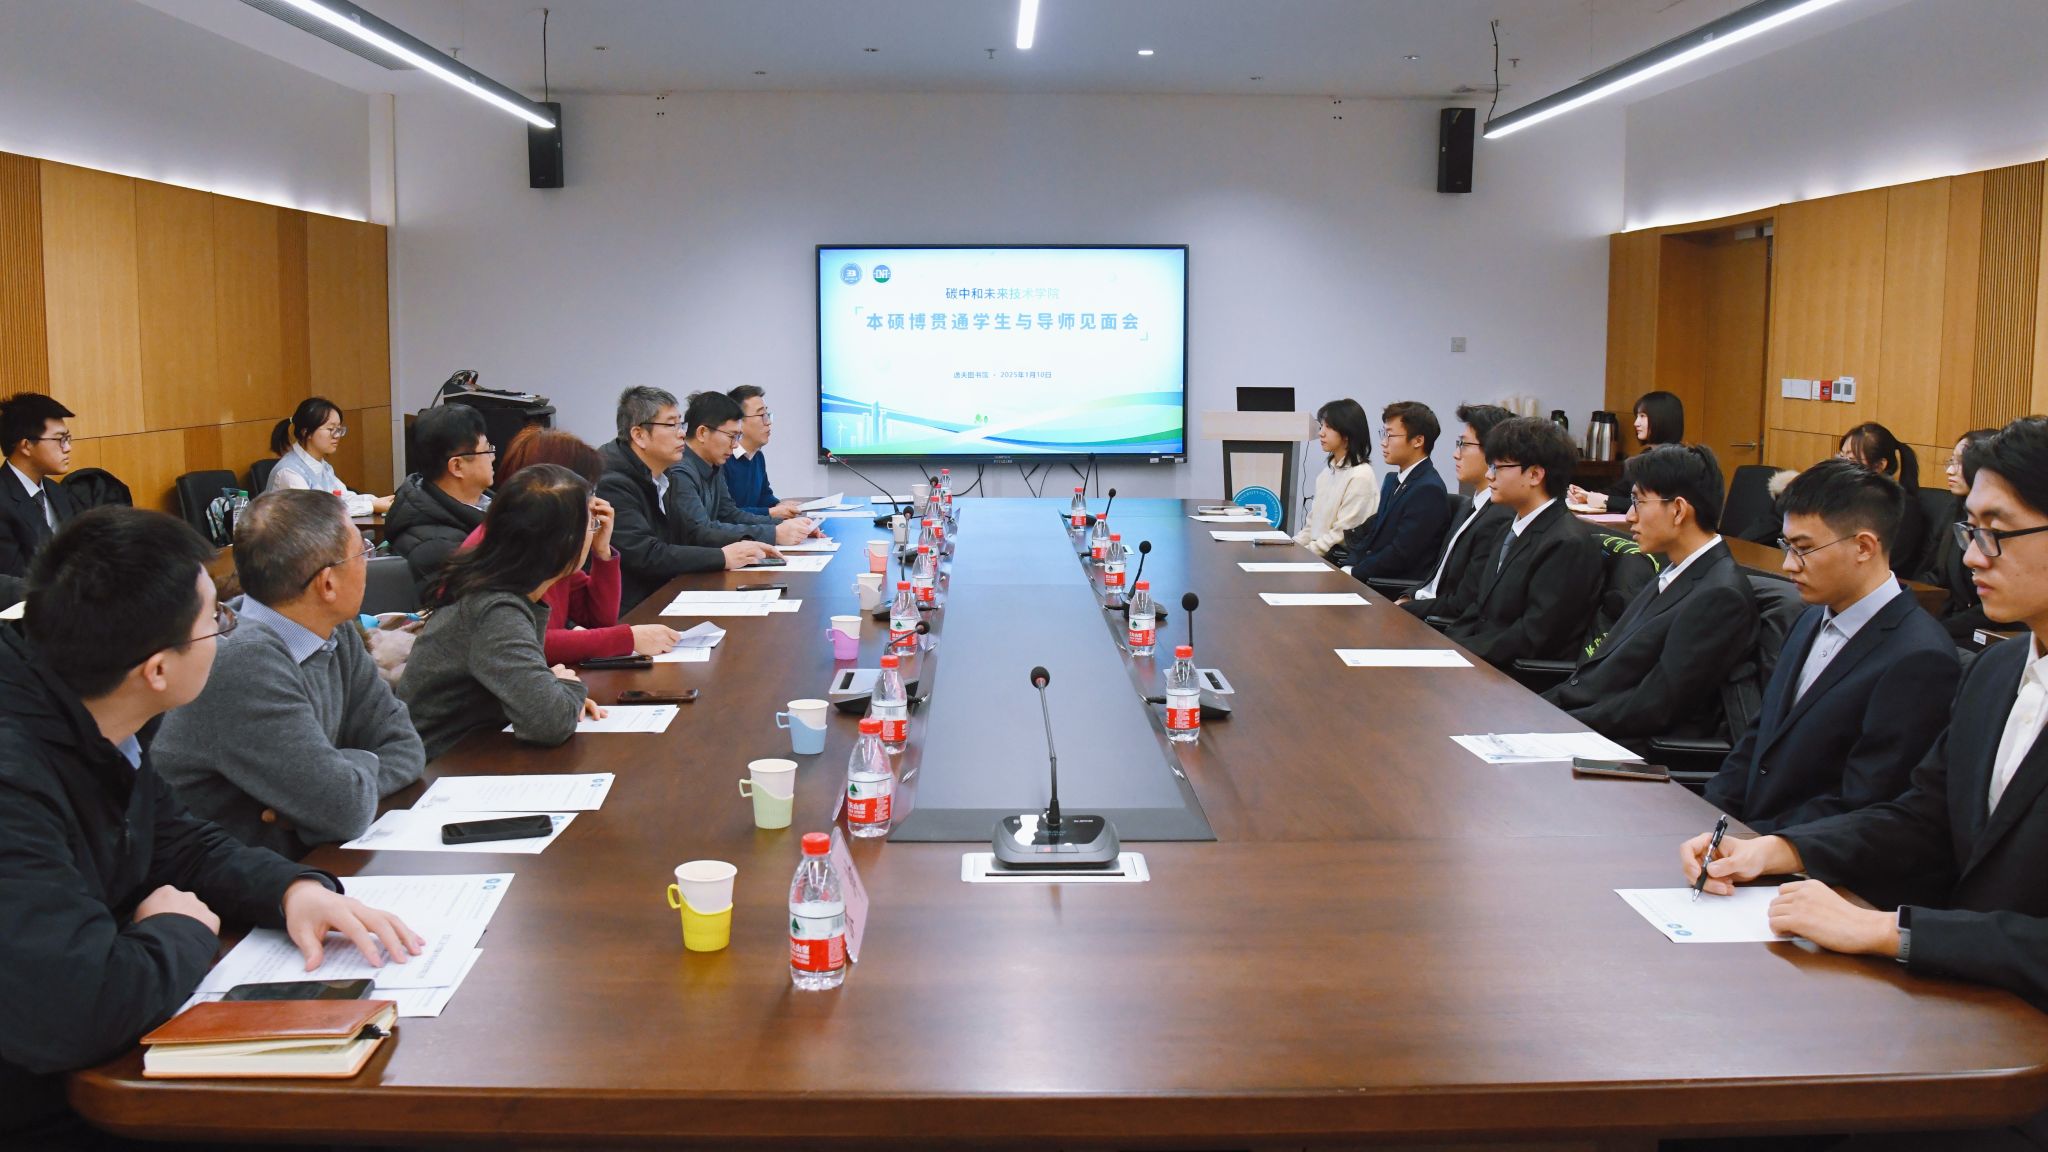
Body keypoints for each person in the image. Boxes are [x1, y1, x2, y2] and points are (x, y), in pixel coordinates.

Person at [1683, 418, 2048, 1148]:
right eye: (1969, 530)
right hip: (1961, 1015)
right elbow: (1922, 817)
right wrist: (1778, 850)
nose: (1970, 557)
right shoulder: (2001, 670)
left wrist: (1890, 930)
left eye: (1997, 533)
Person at [0, 507, 421, 1136]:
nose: (230, 632)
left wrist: (293, 890)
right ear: (157, 670)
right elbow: (74, 1011)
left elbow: (180, 842)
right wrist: (180, 927)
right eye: (215, 622)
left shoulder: (101, 716)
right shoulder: (16, 774)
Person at [153, 490, 425, 858]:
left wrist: (336, 779)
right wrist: (337, 784)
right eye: (362, 552)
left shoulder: (334, 630)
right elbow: (341, 808)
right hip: (223, 882)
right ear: (327, 584)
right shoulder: (242, 661)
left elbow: (405, 746)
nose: (367, 561)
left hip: (300, 862)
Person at [1700, 459, 1959, 833]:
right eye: (1787, 545)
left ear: (1864, 547)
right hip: (1745, 839)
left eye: (1803, 548)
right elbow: (1760, 738)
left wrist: (1761, 845)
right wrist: (1707, 816)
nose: (1789, 565)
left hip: (1806, 854)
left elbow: (1867, 802)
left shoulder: (1920, 658)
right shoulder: (1808, 618)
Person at [1540, 445, 1757, 743]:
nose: (1630, 516)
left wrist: (1557, 724)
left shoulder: (1721, 595)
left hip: (1622, 744)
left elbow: (1654, 706)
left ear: (1678, 510)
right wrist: (1538, 709)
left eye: (1638, 501)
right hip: (1583, 718)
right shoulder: (1675, 571)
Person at [398, 463, 608, 761]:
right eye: (590, 524)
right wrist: (567, 688)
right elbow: (550, 723)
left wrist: (553, 690)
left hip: (477, 749)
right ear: (563, 540)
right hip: (441, 766)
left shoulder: (504, 589)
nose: (593, 533)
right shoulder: (495, 608)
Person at [462, 427, 680, 664]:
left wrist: (602, 552)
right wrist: (625, 639)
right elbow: (523, 641)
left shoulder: (550, 541)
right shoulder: (501, 544)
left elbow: (597, 620)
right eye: (587, 491)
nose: (593, 501)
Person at [1435, 416, 1603, 667]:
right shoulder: (1508, 529)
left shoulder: (1567, 543)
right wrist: (1444, 645)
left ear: (1535, 474)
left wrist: (1460, 653)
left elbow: (1534, 635)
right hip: (1481, 658)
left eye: (1498, 467)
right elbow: (1478, 609)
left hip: (1515, 675)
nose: (1489, 475)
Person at [598, 386, 779, 612]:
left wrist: (750, 541)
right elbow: (647, 554)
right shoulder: (613, 481)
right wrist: (723, 556)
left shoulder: (663, 473)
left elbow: (694, 530)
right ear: (639, 435)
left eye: (680, 424)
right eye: (671, 425)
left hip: (664, 591)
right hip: (632, 608)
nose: (682, 433)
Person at [1401, 403, 1514, 614]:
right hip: (1422, 605)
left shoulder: (1499, 517)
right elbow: (1437, 577)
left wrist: (1408, 607)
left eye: (1464, 444)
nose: (1455, 454)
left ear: (1493, 452)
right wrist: (1407, 597)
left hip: (1436, 620)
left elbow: (1463, 602)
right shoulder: (1469, 506)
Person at [670, 390, 818, 549]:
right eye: (731, 436)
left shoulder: (714, 463)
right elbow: (701, 531)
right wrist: (774, 533)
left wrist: (786, 526)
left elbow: (730, 514)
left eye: (738, 437)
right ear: (702, 433)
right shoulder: (679, 472)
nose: (735, 445)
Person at [385, 403, 496, 595]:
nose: (492, 457)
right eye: (487, 450)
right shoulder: (435, 547)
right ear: (457, 466)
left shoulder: (490, 504)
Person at [1345, 401, 1448, 582]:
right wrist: (1349, 564)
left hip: (1392, 586)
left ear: (1418, 441)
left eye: (1390, 435)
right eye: (1383, 434)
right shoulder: (1393, 480)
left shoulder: (1428, 489)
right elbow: (1373, 533)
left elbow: (1401, 553)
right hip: (1372, 575)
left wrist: (1355, 572)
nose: (1383, 443)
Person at [1919, 428, 2003, 644]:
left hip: (1987, 631)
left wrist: (1939, 630)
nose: (1949, 471)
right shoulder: (1954, 510)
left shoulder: (2001, 522)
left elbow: (1994, 605)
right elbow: (1934, 575)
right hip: (1949, 621)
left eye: (1960, 463)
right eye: (1951, 461)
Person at [265, 396, 394, 516]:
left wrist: (377, 501)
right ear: (306, 432)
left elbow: (342, 497)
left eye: (339, 429)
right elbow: (318, 512)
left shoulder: (322, 465)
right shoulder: (288, 472)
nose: (337, 435)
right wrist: (371, 506)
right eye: (331, 429)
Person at [0, 393, 77, 580]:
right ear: (26, 445)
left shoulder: (57, 492)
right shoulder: (2, 501)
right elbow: (12, 583)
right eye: (59, 439)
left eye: (68, 438)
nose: (67, 448)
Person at [1568, 389, 1683, 514]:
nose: (1636, 423)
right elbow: (1620, 490)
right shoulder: (1644, 457)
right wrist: (1587, 495)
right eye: (1637, 416)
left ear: (1662, 419)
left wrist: (1607, 501)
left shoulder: (1674, 461)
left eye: (1642, 416)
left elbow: (1652, 504)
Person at [1838, 421, 1928, 579]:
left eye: (1851, 460)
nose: (1841, 466)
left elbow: (1890, 561)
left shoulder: (1903, 506)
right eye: (1841, 456)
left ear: (1880, 465)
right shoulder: (1843, 496)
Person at [1292, 398, 1378, 561]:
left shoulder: (1361, 476)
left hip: (1336, 561)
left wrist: (1304, 554)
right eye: (1321, 426)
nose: (1321, 433)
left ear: (1347, 434)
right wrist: (1291, 547)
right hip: (1317, 556)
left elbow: (1341, 534)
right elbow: (1311, 526)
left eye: (1329, 427)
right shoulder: (1327, 473)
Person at [725, 384, 802, 519]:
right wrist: (771, 512)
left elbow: (764, 496)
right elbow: (727, 514)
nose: (768, 422)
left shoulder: (757, 456)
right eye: (762, 415)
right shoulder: (723, 459)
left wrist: (778, 505)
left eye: (767, 415)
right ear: (739, 422)